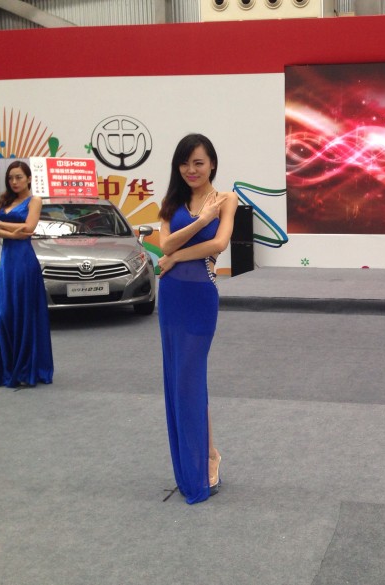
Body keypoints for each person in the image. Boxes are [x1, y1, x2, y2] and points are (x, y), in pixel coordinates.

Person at [157, 133, 238, 504]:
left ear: (212, 164)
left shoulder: (227, 199)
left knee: (191, 378)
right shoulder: (171, 202)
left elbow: (219, 245)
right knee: (179, 381)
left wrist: (177, 255)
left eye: (198, 162)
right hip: (171, 297)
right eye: (185, 163)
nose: (191, 169)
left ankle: (207, 457)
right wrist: (201, 221)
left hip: (201, 297)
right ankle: (208, 454)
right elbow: (164, 244)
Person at [0, 160, 53, 388]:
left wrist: (0, 225)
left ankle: (26, 369)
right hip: (7, 264)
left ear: (28, 179)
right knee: (5, 314)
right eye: (10, 178)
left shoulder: (35, 201)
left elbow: (29, 229)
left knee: (25, 314)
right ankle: (8, 368)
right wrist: (13, 230)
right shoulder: (4, 202)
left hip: (25, 262)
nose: (14, 182)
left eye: (18, 177)